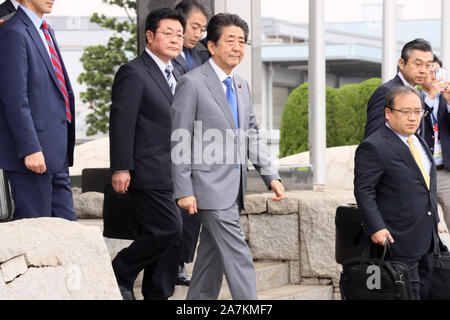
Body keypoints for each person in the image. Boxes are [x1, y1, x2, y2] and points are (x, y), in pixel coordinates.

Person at [171, 13, 285, 300]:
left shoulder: (241, 85)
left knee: (211, 260)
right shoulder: (192, 83)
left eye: (242, 42)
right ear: (211, 46)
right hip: (206, 186)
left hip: (233, 188)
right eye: (230, 41)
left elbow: (251, 135)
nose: (237, 47)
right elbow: (180, 138)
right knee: (239, 256)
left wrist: (270, 175)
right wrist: (183, 189)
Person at [109, 8, 185, 300]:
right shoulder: (134, 72)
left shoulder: (178, 72)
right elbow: (121, 122)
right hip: (148, 168)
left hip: (177, 171)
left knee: (173, 242)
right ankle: (121, 270)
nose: (175, 40)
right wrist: (120, 167)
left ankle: (157, 295)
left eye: (179, 35)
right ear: (150, 36)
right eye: (168, 33)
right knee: (167, 229)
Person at [354, 85, 439, 300]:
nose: (413, 118)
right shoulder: (374, 146)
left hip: (426, 238)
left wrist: (435, 218)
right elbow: (364, 191)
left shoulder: (418, 140)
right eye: (405, 112)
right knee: (407, 294)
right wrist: (376, 228)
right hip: (397, 239)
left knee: (426, 291)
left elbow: (426, 185)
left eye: (417, 111)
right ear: (388, 113)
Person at [0, 0, 76, 221]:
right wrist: (30, 148)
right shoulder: (12, 32)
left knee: (66, 231)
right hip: (32, 157)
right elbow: (14, 99)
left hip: (56, 152)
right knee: (36, 233)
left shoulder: (46, 30)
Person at [172, 0, 210, 287]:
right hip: (176, 139)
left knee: (194, 212)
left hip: (200, 141)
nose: (198, 33)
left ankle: (182, 260)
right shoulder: (168, 56)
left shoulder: (200, 56)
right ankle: (171, 262)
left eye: (202, 29)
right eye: (194, 27)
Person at [364, 38, 434, 138]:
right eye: (418, 64)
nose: (423, 70)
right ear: (401, 63)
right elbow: (373, 136)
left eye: (428, 65)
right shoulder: (387, 92)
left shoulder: (419, 94)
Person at [420, 55, 450, 232]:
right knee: (428, 226)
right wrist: (429, 97)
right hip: (422, 172)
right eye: (430, 71)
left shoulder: (446, 99)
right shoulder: (413, 97)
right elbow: (415, 126)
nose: (433, 76)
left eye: (437, 71)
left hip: (445, 170)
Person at [173, 0, 210, 76]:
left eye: (202, 29)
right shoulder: (165, 52)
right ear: (179, 22)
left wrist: (203, 36)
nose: (198, 35)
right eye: (194, 27)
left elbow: (221, 52)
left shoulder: (196, 54)